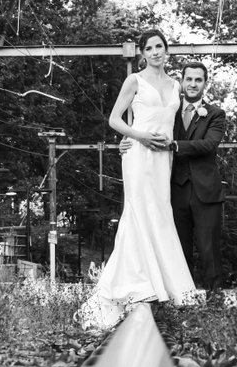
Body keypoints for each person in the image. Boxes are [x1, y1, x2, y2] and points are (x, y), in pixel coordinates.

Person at [77, 29, 196, 331]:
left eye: (160, 46)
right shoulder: (135, 80)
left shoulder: (176, 85)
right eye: (150, 48)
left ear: (167, 51)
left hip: (162, 159)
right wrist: (139, 136)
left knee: (160, 215)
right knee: (140, 214)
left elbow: (173, 124)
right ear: (142, 53)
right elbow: (115, 119)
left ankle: (163, 286)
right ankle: (138, 286)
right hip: (139, 154)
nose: (156, 52)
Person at [168, 61, 228, 290]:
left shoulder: (215, 114)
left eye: (198, 80)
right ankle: (184, 297)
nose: (193, 84)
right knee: (179, 248)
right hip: (175, 189)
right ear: (182, 81)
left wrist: (174, 145)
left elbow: (209, 144)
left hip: (206, 192)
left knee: (209, 249)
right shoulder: (169, 112)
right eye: (189, 79)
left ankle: (215, 301)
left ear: (205, 84)